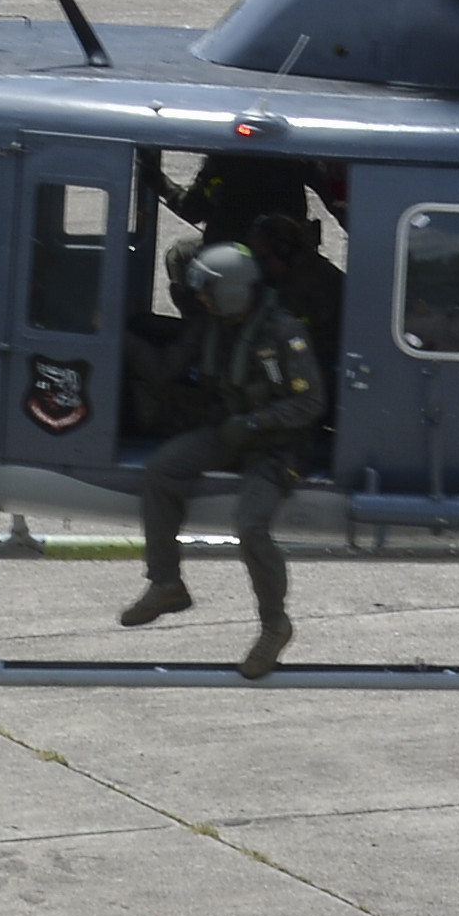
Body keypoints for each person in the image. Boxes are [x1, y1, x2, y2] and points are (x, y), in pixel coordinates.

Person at [123, 238, 324, 679]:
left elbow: (310, 405)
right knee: (160, 472)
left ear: (230, 291)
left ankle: (274, 624)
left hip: (277, 447)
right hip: (228, 433)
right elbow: (163, 368)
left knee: (251, 524)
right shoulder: (211, 325)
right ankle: (166, 583)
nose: (199, 299)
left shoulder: (284, 333)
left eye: (206, 291)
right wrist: (115, 334)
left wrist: (254, 424)